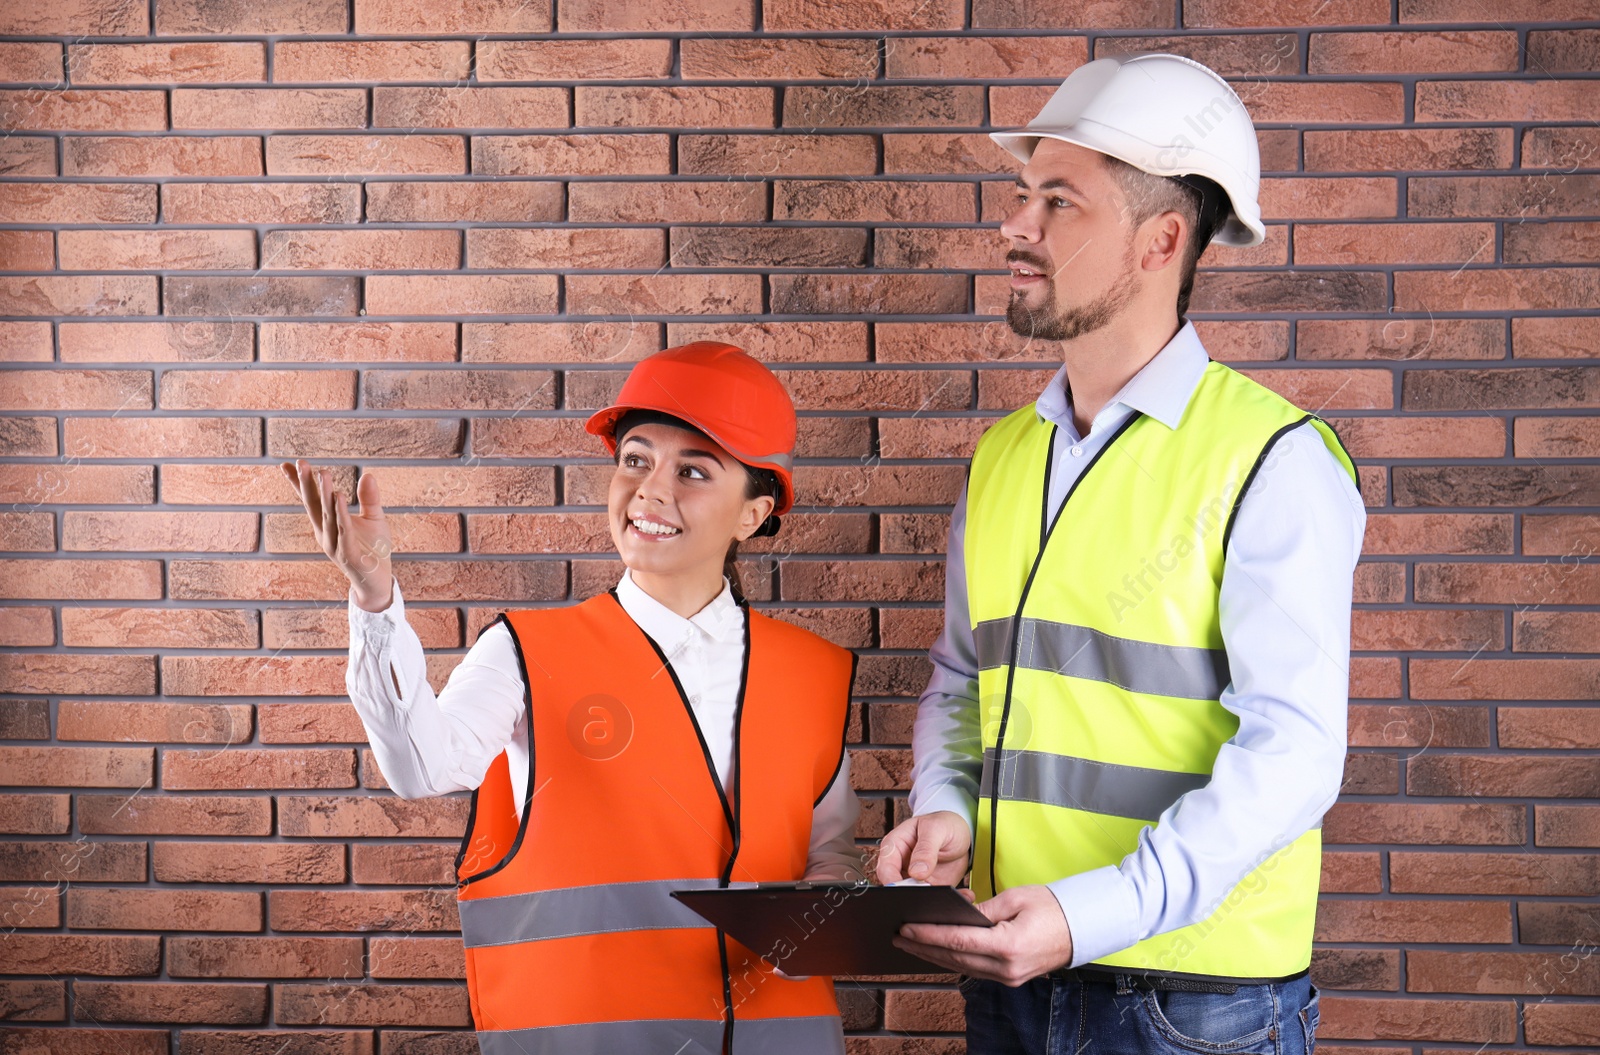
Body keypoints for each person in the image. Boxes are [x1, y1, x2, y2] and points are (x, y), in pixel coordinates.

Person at [874, 54, 1365, 1054]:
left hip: (1190, 1001)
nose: (1015, 226)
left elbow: (1295, 751)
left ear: (1163, 239)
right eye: (1021, 196)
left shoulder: (1274, 460)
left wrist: (1096, 910)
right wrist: (945, 807)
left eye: (1059, 201)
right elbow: (964, 675)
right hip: (1012, 969)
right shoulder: (1005, 456)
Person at [281, 341, 864, 1055]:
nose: (650, 491)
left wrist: (835, 897)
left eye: (693, 471)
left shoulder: (817, 672)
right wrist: (376, 601)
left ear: (754, 512)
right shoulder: (528, 653)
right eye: (635, 459)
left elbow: (830, 854)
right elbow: (421, 767)